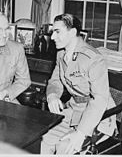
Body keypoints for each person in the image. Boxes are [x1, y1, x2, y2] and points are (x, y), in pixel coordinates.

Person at [41, 13, 117, 154]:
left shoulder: (93, 59)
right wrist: (52, 95)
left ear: (73, 32)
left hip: (98, 116)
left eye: (57, 32)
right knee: (44, 139)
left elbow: (100, 99)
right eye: (53, 32)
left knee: (65, 147)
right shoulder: (61, 54)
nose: (52, 37)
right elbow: (55, 80)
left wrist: (81, 133)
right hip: (73, 110)